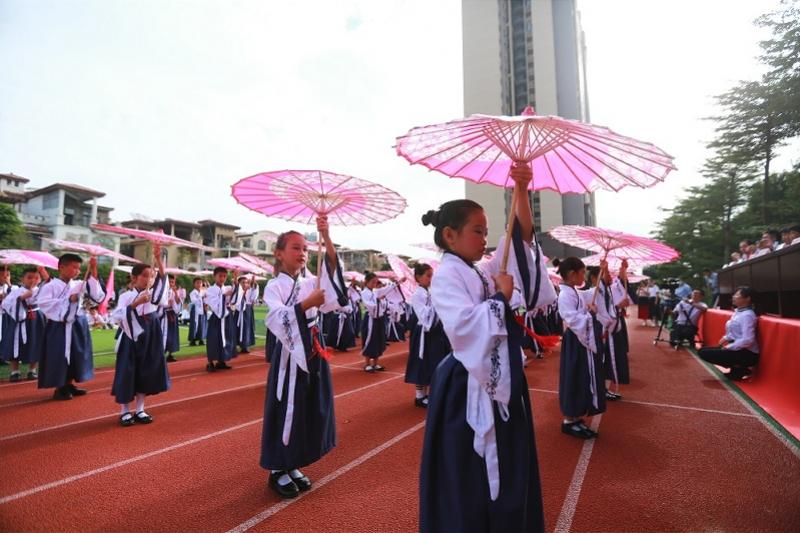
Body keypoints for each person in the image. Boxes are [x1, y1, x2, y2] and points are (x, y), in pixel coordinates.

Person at [419, 162, 555, 533]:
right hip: (466, 384)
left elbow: (521, 243)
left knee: (499, 464)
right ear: (450, 235)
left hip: (493, 379)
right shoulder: (447, 274)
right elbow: (463, 326)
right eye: (477, 231)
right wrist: (499, 299)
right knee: (469, 469)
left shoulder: (475, 270)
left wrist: (522, 190)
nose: (485, 239)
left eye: (487, 231)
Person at [260, 215, 343, 499]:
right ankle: (276, 468)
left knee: (307, 408)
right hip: (289, 356)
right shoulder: (275, 286)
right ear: (279, 253)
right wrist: (307, 303)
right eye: (295, 248)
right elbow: (275, 316)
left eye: (306, 249)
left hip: (312, 351)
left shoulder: (311, 281)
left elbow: (334, 286)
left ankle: (292, 461)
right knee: (287, 408)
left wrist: (327, 236)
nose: (303, 253)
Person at [111, 250, 170, 426]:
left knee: (147, 371)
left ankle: (140, 409)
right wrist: (136, 303)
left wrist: (158, 260)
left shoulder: (153, 295)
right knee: (128, 371)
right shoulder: (126, 296)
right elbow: (117, 316)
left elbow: (163, 283)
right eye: (144, 276)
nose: (149, 279)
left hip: (150, 335)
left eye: (151, 276)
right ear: (134, 278)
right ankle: (124, 411)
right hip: (131, 337)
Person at [37, 253, 105, 400]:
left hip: (77, 325)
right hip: (59, 326)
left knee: (77, 354)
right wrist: (69, 300)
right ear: (61, 267)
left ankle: (69, 383)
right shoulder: (51, 286)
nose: (77, 271)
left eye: (79, 268)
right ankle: (59, 387)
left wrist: (93, 270)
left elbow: (96, 296)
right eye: (74, 267)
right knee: (59, 355)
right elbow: (44, 304)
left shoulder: (78, 284)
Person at [556, 256, 606, 439]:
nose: (584, 276)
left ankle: (575, 416)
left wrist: (602, 271)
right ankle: (569, 419)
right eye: (582, 272)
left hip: (579, 340)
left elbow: (592, 293)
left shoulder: (573, 291)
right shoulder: (564, 294)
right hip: (574, 340)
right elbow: (572, 319)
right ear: (572, 274)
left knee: (580, 376)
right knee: (574, 376)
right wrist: (590, 314)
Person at [404, 263, 451, 408]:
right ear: (418, 277)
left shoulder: (429, 292)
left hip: (434, 331)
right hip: (424, 332)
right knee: (422, 361)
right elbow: (424, 316)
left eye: (432, 275)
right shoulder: (417, 295)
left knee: (434, 360)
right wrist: (436, 303)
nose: (431, 279)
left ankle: (431, 393)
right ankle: (420, 396)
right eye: (428, 275)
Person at [698, 286, 759, 380]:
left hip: (747, 353)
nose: (734, 297)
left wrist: (730, 347)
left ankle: (740, 367)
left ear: (747, 298)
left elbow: (748, 339)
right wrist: (726, 338)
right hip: (738, 348)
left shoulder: (747, 315)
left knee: (705, 353)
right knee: (703, 350)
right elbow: (735, 332)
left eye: (737, 295)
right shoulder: (738, 312)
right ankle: (736, 368)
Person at [0, 266, 49, 381]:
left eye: (36, 278)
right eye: (29, 277)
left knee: (36, 342)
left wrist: (31, 295)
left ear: (40, 280)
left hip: (36, 319)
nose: (33, 280)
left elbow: (46, 300)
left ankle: (32, 370)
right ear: (23, 279)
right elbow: (6, 304)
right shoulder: (15, 291)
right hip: (18, 320)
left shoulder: (41, 290)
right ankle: (15, 371)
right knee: (14, 343)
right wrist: (20, 298)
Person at [360, 273, 397, 372]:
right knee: (370, 340)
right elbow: (369, 305)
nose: (374, 284)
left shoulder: (375, 291)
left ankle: (375, 363)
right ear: (366, 282)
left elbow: (385, 290)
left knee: (379, 340)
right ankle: (367, 363)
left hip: (379, 318)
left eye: (375, 282)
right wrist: (378, 300)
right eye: (372, 282)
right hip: (371, 319)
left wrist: (396, 283)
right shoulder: (364, 293)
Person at [204, 266, 237, 372]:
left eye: (224, 276)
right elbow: (213, 303)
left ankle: (222, 360)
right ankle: (211, 362)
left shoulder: (227, 288)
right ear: (214, 277)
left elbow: (236, 296)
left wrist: (236, 279)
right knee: (214, 339)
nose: (222, 278)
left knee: (227, 337)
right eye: (220, 276)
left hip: (227, 317)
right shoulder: (210, 290)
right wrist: (223, 296)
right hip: (216, 318)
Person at [232, 275, 259, 354]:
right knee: (237, 328)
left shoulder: (250, 290)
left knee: (247, 328)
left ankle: (245, 345)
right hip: (239, 311)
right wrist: (236, 281)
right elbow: (235, 297)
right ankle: (235, 345)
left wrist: (254, 284)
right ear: (239, 283)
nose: (245, 284)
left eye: (246, 282)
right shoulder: (238, 290)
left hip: (247, 311)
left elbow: (253, 297)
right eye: (242, 282)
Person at [163, 275, 183, 362]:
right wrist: (167, 303)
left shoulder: (174, 292)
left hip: (172, 314)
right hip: (164, 314)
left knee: (173, 334)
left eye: (172, 282)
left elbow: (178, 303)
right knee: (164, 334)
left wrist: (176, 295)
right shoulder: (162, 291)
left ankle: (170, 353)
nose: (171, 284)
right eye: (169, 282)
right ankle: (161, 353)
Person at [187, 278, 207, 346]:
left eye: (200, 283)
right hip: (195, 310)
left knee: (201, 324)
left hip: (202, 310)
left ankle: (201, 339)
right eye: (197, 283)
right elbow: (194, 301)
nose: (199, 284)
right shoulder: (193, 292)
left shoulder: (202, 291)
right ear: (194, 284)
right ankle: (193, 340)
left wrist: (205, 302)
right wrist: (201, 297)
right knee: (194, 324)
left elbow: (206, 299)